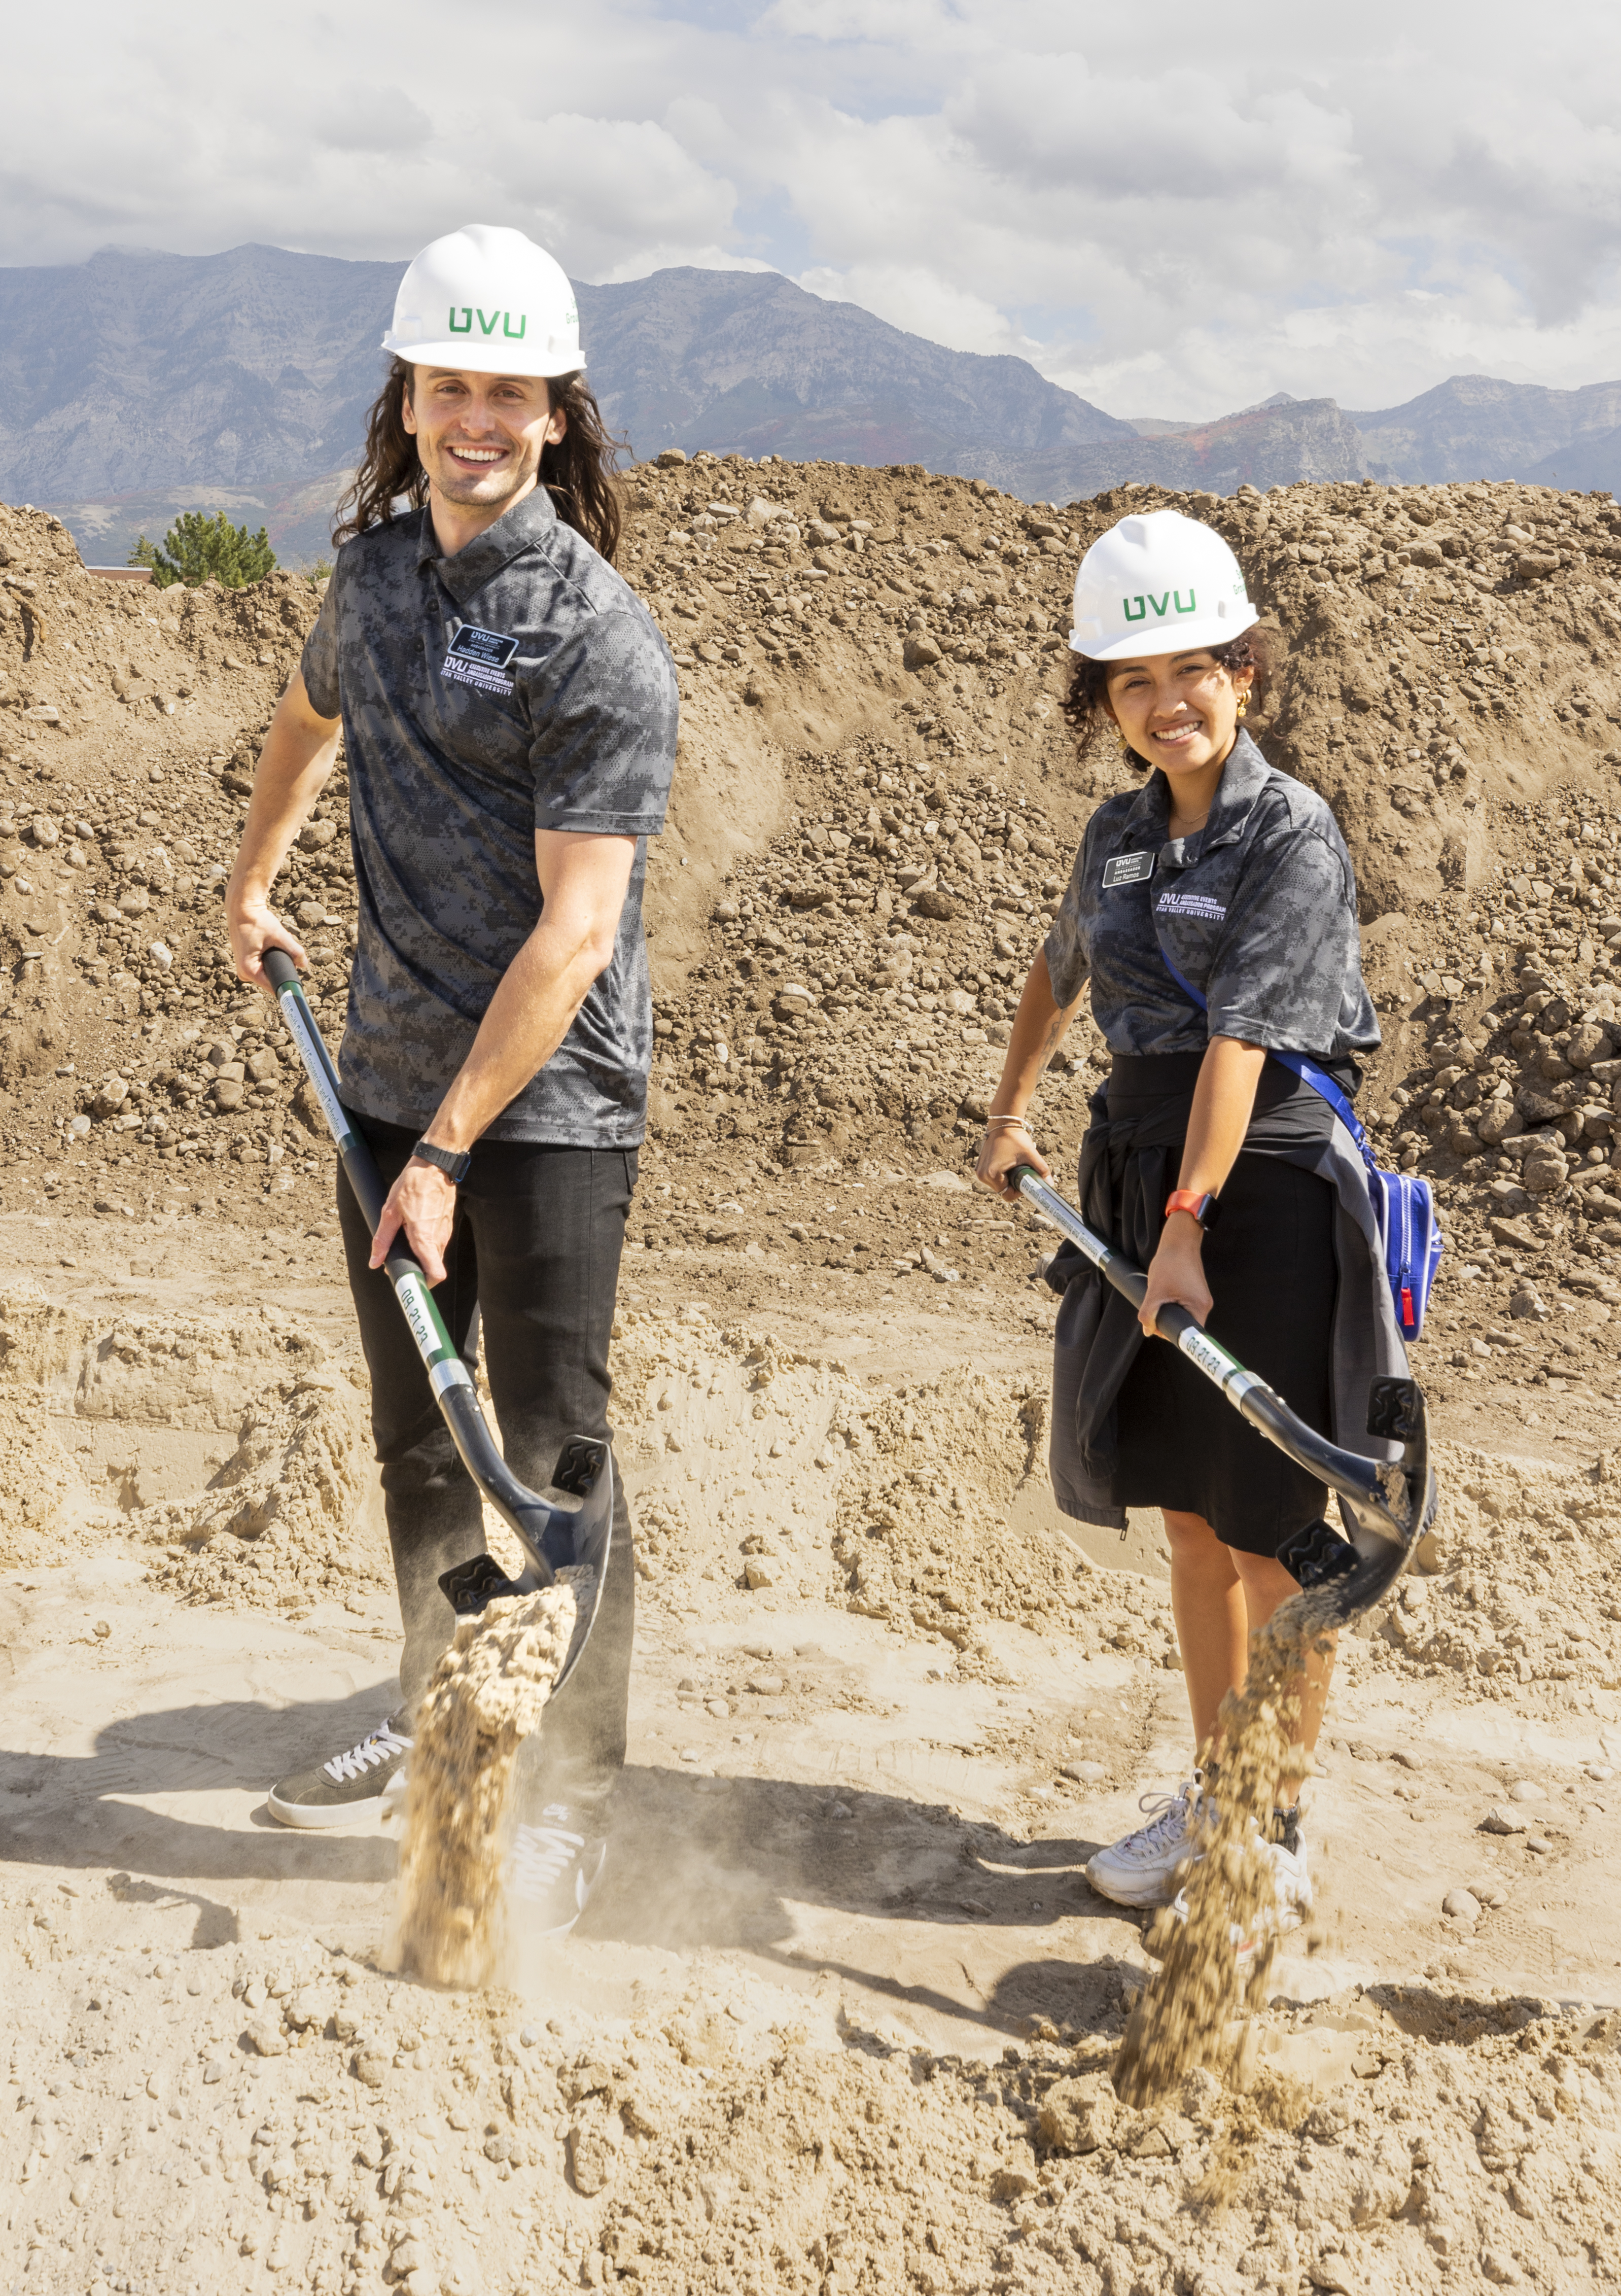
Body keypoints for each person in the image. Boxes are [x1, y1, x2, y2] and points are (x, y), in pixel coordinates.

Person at [223, 224, 678, 1936]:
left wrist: (448, 1154)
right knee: (418, 1433)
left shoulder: (594, 635)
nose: (473, 417)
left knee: (548, 1448)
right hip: (393, 1076)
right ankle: (440, 1710)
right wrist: (255, 872)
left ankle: (569, 1793)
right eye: (445, 385)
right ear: (405, 400)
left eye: (506, 390)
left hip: (545, 1102)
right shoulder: (376, 572)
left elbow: (572, 939)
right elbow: (303, 709)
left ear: (556, 416)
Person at [976, 508, 1407, 1919]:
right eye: (1133, 683)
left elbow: (1240, 1043)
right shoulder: (1114, 836)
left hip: (1265, 1185)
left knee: (1267, 1526)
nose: (1168, 704)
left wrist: (1184, 1230)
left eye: (1193, 670)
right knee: (1184, 1520)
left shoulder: (1291, 833)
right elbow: (1060, 967)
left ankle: (1270, 1826)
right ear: (1103, 704)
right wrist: (1010, 1106)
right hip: (1143, 1164)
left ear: (1245, 672)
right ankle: (1216, 1786)